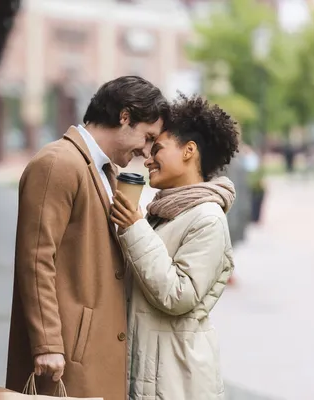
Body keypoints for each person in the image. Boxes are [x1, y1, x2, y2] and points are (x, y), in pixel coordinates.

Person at [5, 76, 169, 400]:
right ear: (125, 116)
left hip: (93, 354)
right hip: (62, 357)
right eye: (147, 136)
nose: (145, 151)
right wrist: (48, 343)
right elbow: (36, 259)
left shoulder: (105, 171)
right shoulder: (58, 163)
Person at [111, 93, 239, 399]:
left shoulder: (207, 218)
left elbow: (179, 295)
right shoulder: (163, 213)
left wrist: (133, 227)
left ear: (189, 151)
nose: (148, 157)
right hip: (152, 371)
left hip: (178, 382)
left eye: (158, 149)